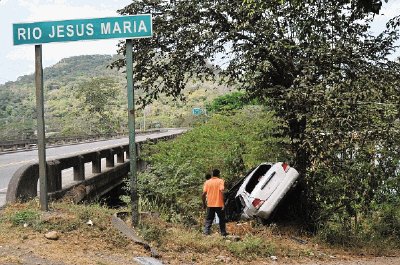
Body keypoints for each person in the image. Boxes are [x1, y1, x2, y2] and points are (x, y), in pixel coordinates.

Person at [202, 169, 228, 236]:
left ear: (212, 174)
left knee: (209, 219)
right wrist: (224, 202)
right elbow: (222, 191)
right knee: (222, 219)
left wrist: (204, 204)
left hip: (210, 204)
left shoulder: (207, 182)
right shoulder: (220, 181)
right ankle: (223, 233)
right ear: (219, 174)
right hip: (219, 204)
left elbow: (203, 194)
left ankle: (206, 232)